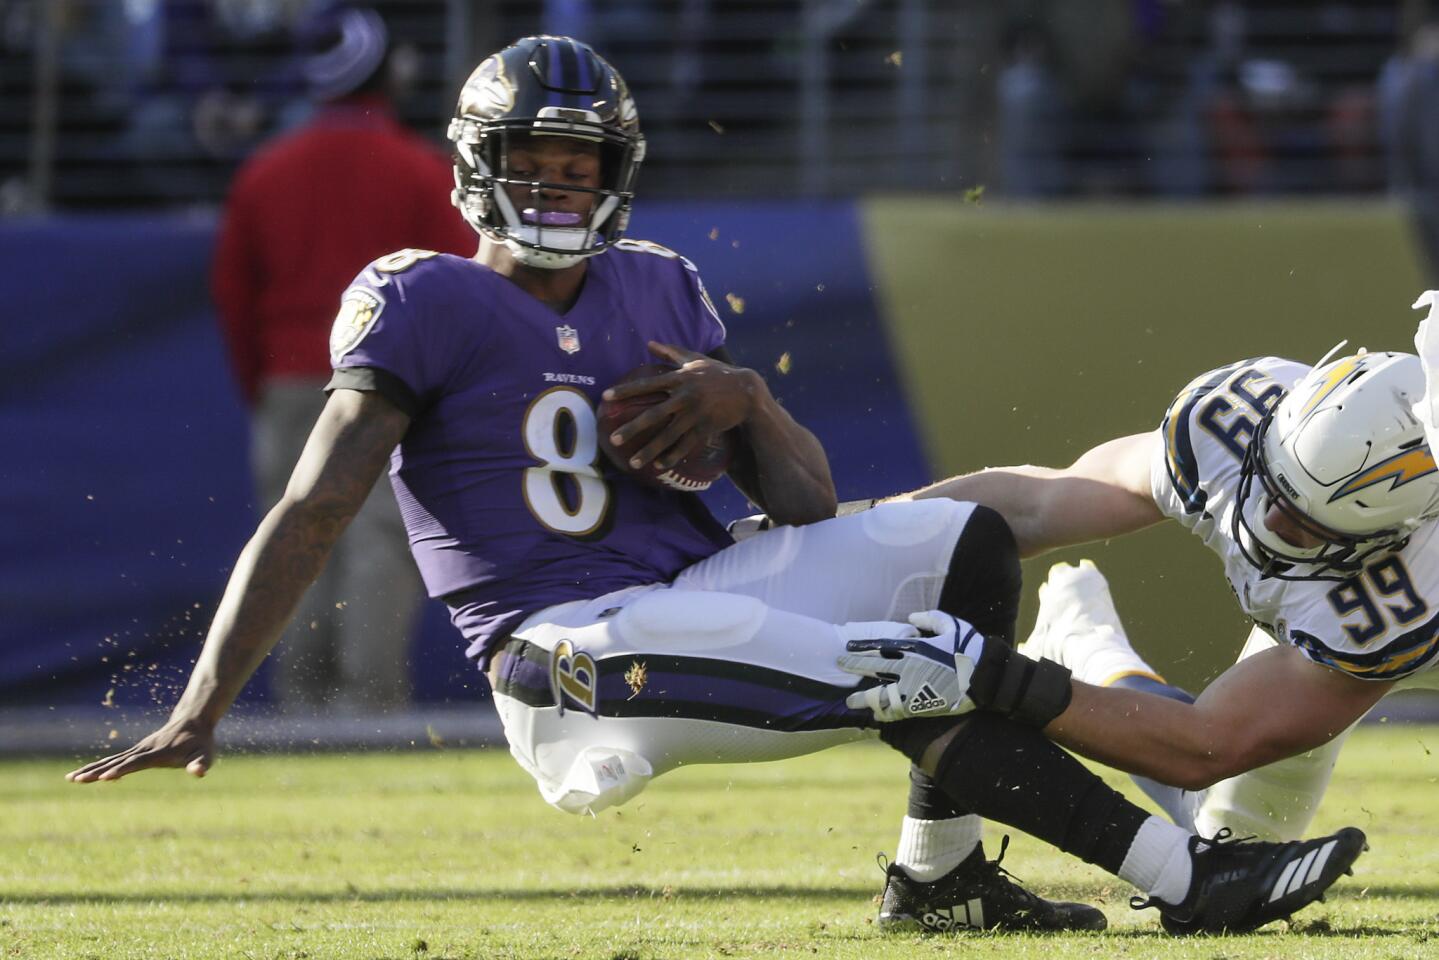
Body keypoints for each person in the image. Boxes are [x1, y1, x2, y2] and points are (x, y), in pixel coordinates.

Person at [68, 36, 1365, 936]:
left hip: (693, 585)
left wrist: (748, 402)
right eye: (533, 161)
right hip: (560, 655)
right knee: (910, 658)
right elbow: (314, 507)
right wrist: (204, 701)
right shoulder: (423, 297)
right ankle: (1184, 876)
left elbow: (803, 507)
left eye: (578, 167)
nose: (555, 185)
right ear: (475, 164)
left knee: (955, 548)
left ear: (614, 178)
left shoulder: (658, 289)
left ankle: (940, 877)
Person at [855, 324, 1439, 854]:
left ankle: (1082, 645)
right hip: (1337, 605)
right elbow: (1038, 505)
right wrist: (855, 528)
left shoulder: (1411, 587)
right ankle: (1080, 638)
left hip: (1373, 628)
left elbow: (1205, 746)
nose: (1268, 523)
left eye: (1306, 527)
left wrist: (1004, 680)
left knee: (1220, 808)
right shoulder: (1231, 422)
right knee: (1234, 844)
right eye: (1273, 487)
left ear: (1395, 532)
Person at [210, 4, 475, 712]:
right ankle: (369, 707)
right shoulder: (421, 172)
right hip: (391, 387)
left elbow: (234, 294)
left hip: (289, 380)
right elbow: (459, 286)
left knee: (291, 535)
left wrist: (264, 383)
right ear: (388, 71)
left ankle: (301, 707)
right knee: (379, 540)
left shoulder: (265, 173)